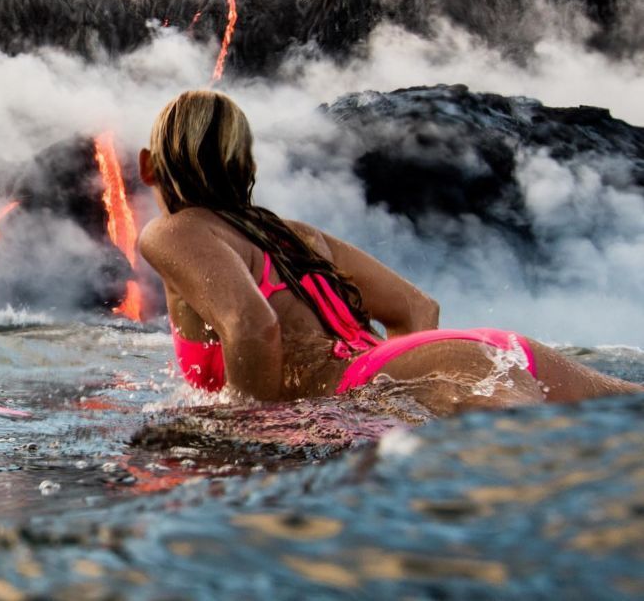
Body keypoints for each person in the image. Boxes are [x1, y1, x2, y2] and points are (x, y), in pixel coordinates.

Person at [137, 90, 642, 415]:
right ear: (246, 164)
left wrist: (251, 439)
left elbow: (253, 324)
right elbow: (418, 308)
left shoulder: (174, 230)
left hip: (432, 372)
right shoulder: (296, 236)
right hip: (488, 352)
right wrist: (398, 388)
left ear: (147, 166)